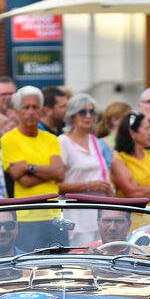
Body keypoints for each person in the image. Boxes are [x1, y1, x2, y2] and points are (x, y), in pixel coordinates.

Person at [0, 86, 66, 250]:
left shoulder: (51, 139)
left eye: (35, 107)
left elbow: (60, 173)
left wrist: (28, 167)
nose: (31, 112)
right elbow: (24, 181)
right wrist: (49, 172)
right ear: (17, 110)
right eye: (26, 107)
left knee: (59, 269)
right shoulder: (9, 139)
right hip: (24, 218)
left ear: (42, 110)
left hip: (53, 215)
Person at [57, 93, 115, 243]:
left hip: (100, 215)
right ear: (72, 116)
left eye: (92, 111)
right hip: (75, 216)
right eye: (83, 112)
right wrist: (88, 185)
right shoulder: (62, 142)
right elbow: (55, 186)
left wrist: (107, 187)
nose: (88, 116)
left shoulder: (94, 141)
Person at [111, 112, 150, 213]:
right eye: (146, 129)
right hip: (133, 221)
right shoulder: (118, 160)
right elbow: (133, 193)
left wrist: (141, 198)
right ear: (133, 134)